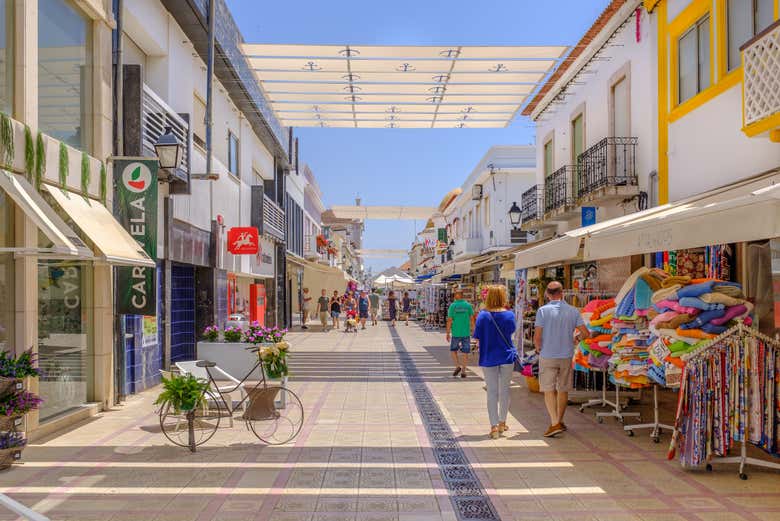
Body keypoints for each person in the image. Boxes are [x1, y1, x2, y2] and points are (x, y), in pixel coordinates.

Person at [534, 281, 590, 438]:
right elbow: (586, 333)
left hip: (548, 355)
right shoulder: (573, 311)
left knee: (548, 389)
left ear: (547, 294)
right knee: (563, 389)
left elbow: (537, 336)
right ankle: (560, 420)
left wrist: (538, 349)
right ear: (562, 293)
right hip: (566, 355)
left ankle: (554, 423)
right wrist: (576, 339)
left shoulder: (542, 311)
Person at [473, 285, 518, 439]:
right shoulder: (510, 315)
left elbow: (477, 336)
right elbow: (512, 331)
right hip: (506, 356)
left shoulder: (482, 316)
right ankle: (502, 422)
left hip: (488, 356)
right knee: (504, 390)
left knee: (491, 392)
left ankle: (493, 427)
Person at [446, 290, 475, 378]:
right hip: (466, 332)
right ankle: (463, 370)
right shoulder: (468, 305)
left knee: (453, 350)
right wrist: (474, 330)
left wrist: (447, 332)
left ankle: (457, 366)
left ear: (456, 296)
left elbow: (450, 320)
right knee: (465, 352)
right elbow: (472, 318)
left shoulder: (453, 306)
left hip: (456, 332)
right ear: (463, 296)